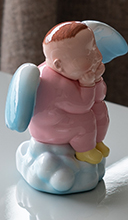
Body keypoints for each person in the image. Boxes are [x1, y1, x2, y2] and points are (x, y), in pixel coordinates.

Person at [30, 22, 111, 165]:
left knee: (100, 109)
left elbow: (98, 97)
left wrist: (97, 79)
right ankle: (84, 150)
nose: (97, 57)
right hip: (51, 128)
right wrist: (88, 84)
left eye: (94, 48)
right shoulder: (55, 83)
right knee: (85, 120)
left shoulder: (74, 73)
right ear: (59, 65)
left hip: (69, 114)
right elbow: (83, 105)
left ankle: (97, 141)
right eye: (87, 54)